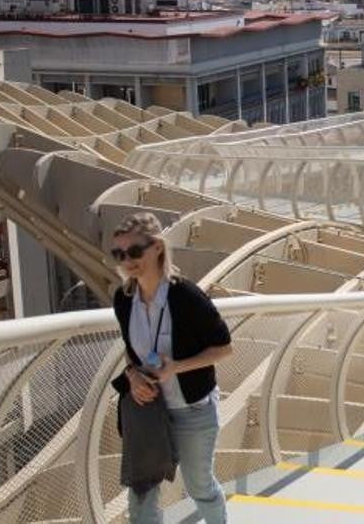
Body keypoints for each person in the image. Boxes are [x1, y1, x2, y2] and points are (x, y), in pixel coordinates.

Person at [108, 212, 233, 524]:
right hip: (150, 411)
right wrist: (133, 375)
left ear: (158, 248)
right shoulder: (123, 299)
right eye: (119, 253)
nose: (127, 260)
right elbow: (132, 352)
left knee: (199, 486)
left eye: (135, 251)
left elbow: (224, 347)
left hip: (192, 410)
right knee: (142, 494)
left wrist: (176, 367)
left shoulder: (185, 295)